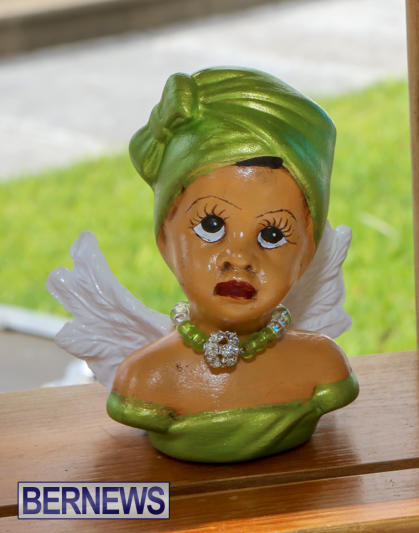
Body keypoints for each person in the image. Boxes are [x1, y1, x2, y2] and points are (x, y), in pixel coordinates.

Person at [53, 67, 358, 462]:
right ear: (166, 238)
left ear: (307, 254)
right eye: (212, 226)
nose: (240, 258)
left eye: (272, 234)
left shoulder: (321, 365)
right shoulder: (147, 378)